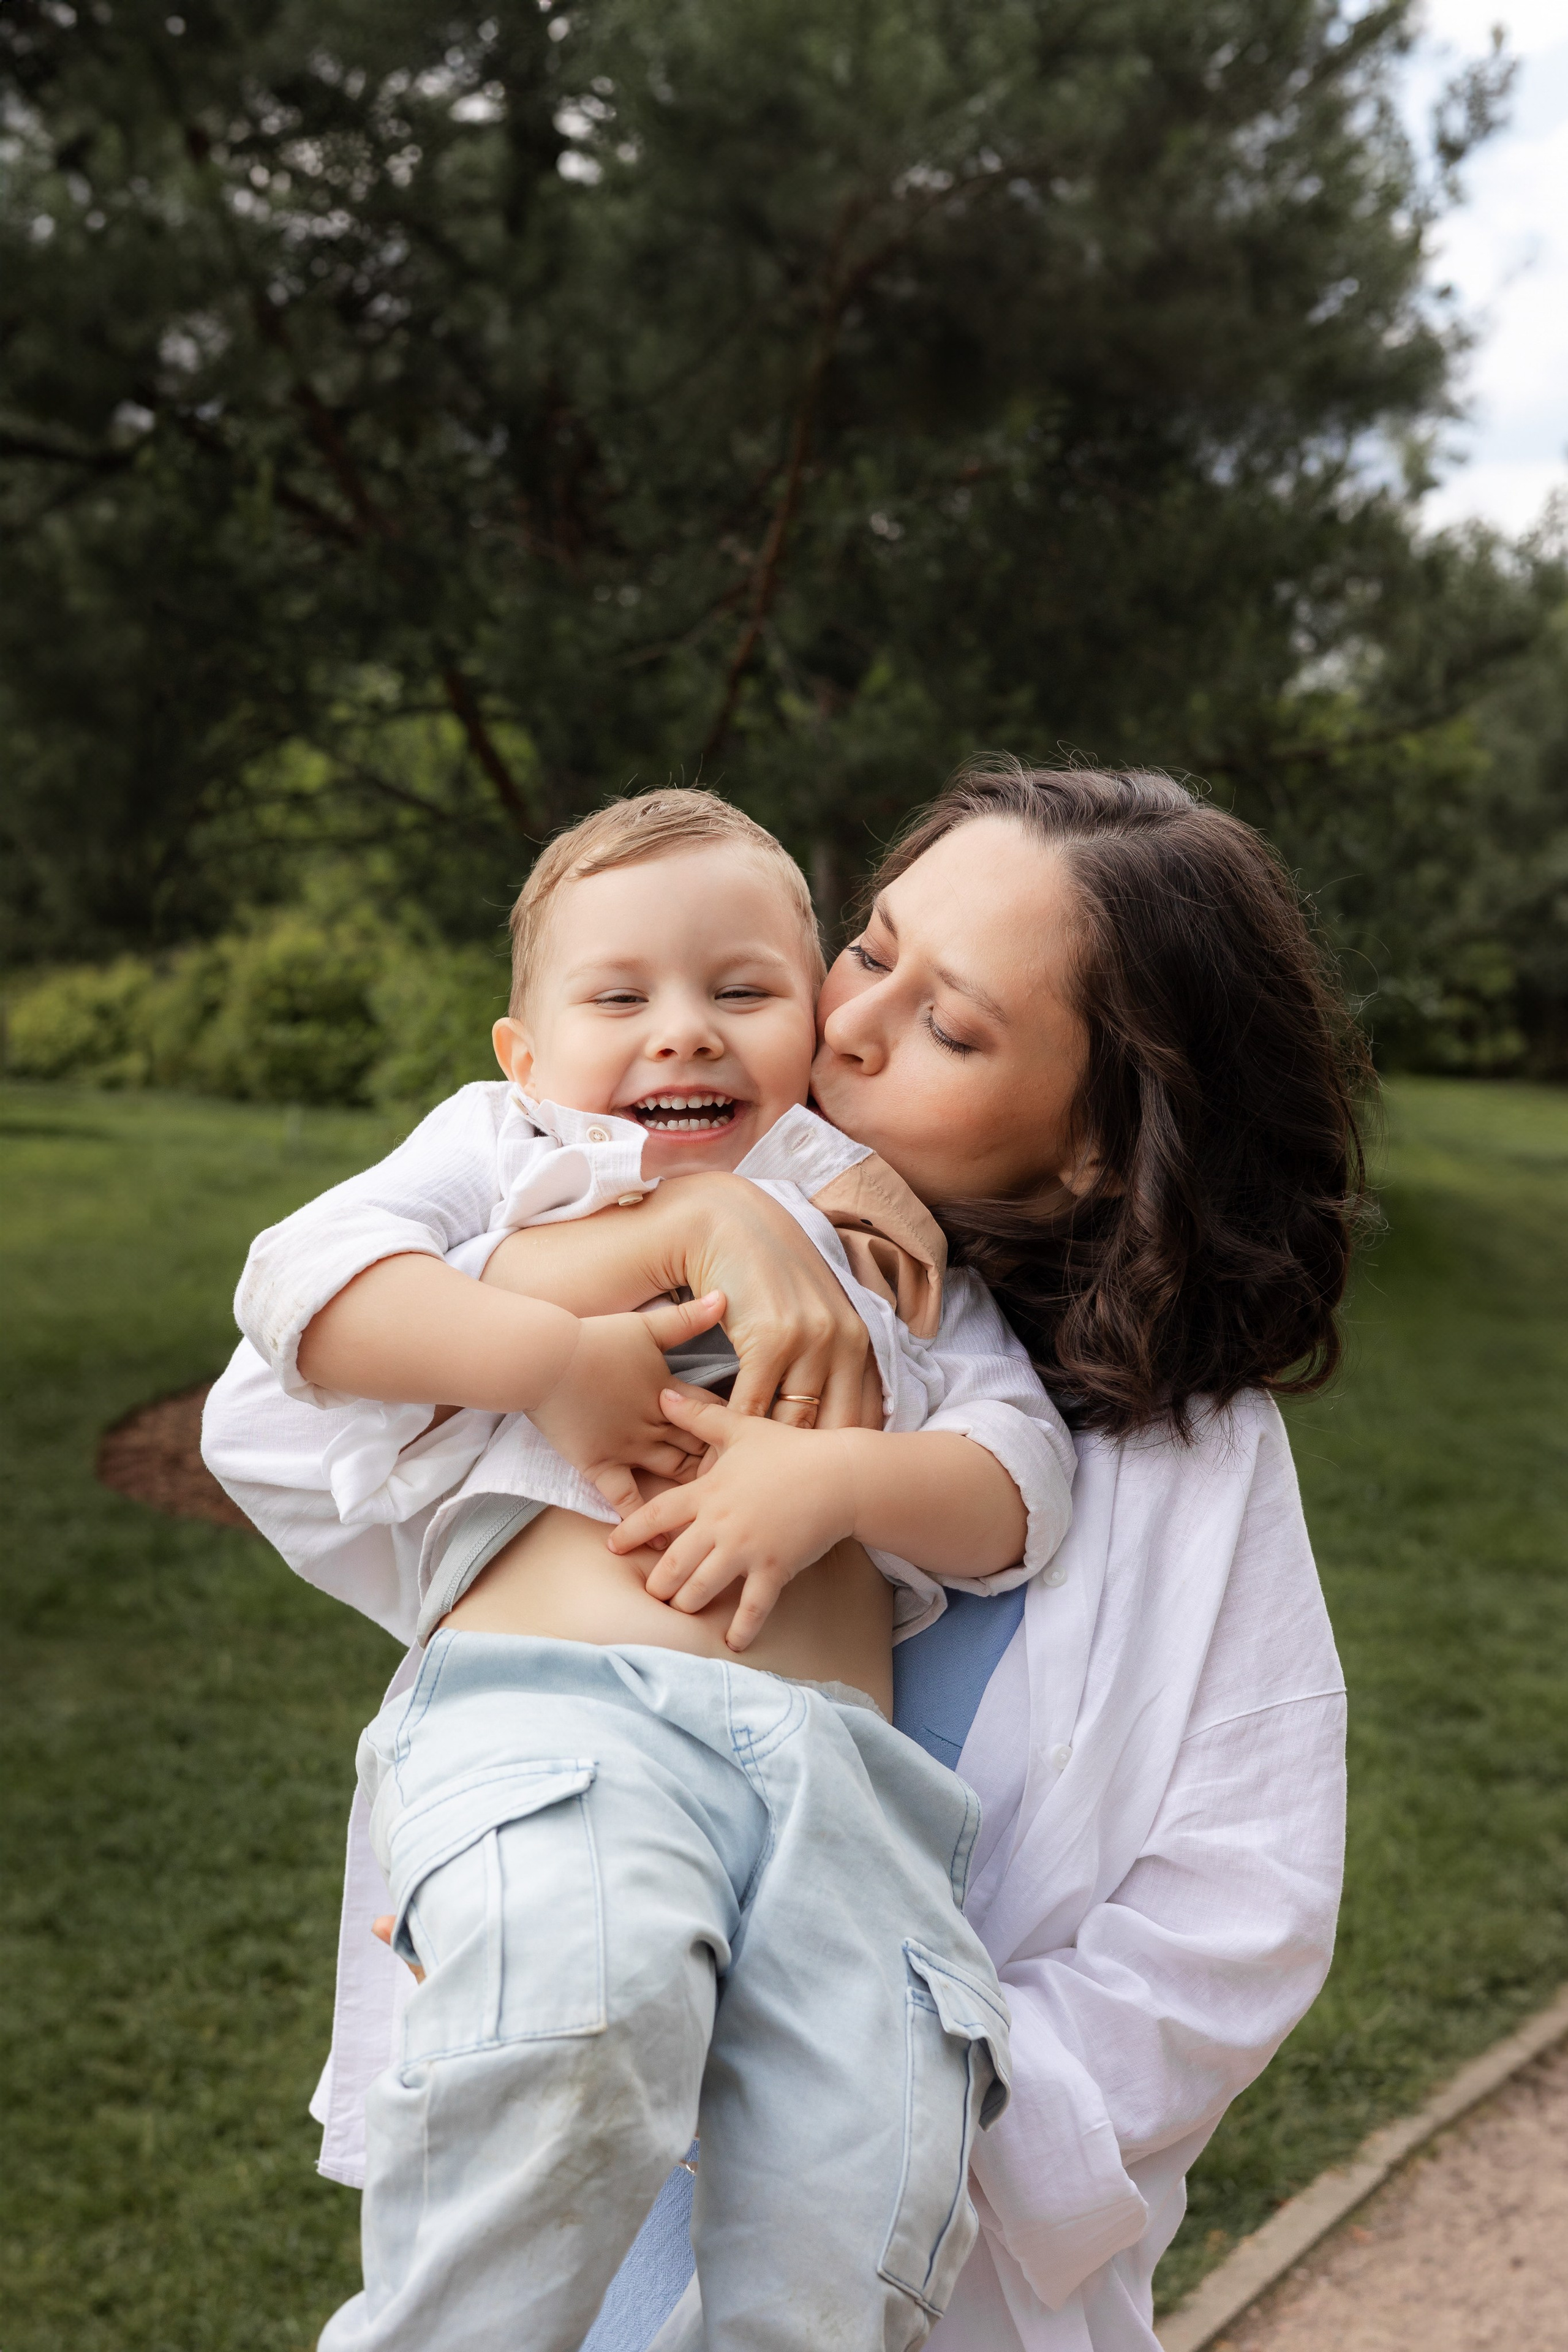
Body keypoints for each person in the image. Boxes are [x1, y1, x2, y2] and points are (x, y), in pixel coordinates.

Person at [205, 761, 1362, 2352]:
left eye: (953, 1026)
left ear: (1102, 1141)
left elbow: (1241, 1908)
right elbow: (279, 1396)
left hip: (897, 2198)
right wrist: (690, 1235)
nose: (856, 1027)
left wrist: (891, 2087)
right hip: (575, 2048)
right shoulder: (603, 1184)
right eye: (872, 952)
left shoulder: (1123, 1416)